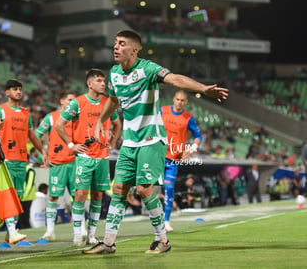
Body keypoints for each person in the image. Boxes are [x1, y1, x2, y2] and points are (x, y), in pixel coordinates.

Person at [84, 30, 228, 254]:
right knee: (120, 188)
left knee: (143, 189)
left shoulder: (147, 68)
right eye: (115, 43)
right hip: (129, 142)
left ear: (134, 49)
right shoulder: (113, 73)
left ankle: (162, 240)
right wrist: (99, 122)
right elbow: (112, 101)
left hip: (152, 139)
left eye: (121, 44)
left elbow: (174, 79)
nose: (115, 47)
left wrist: (202, 88)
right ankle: (108, 243)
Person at [55, 68, 122, 246]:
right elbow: (59, 124)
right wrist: (71, 145)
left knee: (98, 195)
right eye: (99, 81)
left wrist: (113, 141)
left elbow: (117, 123)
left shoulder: (108, 102)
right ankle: (77, 235)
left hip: (102, 157)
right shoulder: (78, 103)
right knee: (80, 194)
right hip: (84, 156)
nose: (103, 84)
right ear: (89, 83)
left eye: (104, 81)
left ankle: (91, 235)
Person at [0, 79, 48, 244]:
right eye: (15, 89)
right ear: (7, 92)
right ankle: (12, 231)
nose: (19, 92)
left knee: (18, 196)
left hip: (21, 159)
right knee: (9, 196)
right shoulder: (0, 111)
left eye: (20, 89)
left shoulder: (25, 113)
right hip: (5, 159)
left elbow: (31, 134)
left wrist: (42, 150)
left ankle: (10, 233)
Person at [35, 91, 76, 241]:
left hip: (75, 162)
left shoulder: (77, 117)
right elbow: (37, 135)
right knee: (53, 197)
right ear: (62, 101)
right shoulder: (51, 117)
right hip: (57, 163)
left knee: (78, 196)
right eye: (70, 100)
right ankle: (50, 231)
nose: (73, 103)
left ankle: (81, 230)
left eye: (74, 100)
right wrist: (43, 156)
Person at [160, 90, 202, 232]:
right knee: (146, 188)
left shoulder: (188, 118)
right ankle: (154, 217)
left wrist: (191, 149)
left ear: (186, 102)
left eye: (182, 100)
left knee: (169, 189)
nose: (179, 102)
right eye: (177, 99)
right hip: (157, 156)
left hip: (173, 159)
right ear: (173, 99)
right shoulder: (162, 111)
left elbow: (198, 136)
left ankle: (166, 221)